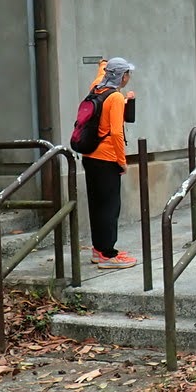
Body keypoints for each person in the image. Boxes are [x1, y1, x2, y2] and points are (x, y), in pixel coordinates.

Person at [81, 57, 137, 268]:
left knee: (96, 205)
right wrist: (121, 161)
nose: (129, 77)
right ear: (122, 76)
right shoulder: (115, 97)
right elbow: (116, 133)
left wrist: (102, 63)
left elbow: (101, 72)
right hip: (106, 159)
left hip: (90, 156)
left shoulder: (96, 88)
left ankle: (98, 250)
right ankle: (108, 254)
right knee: (110, 207)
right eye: (127, 73)